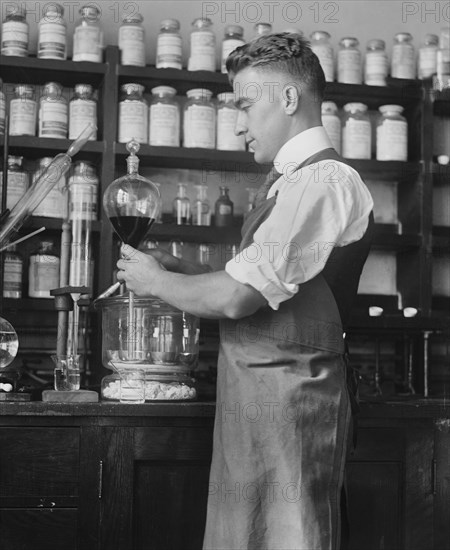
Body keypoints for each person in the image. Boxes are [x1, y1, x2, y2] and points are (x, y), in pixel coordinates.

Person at [116, 32, 374, 550]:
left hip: (292, 402)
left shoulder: (322, 179)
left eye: (245, 104)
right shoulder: (290, 182)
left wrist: (156, 281)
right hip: (259, 399)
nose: (238, 124)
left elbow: (238, 296)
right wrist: (179, 268)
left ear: (287, 98)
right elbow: (261, 277)